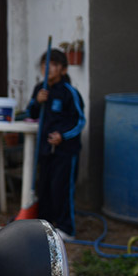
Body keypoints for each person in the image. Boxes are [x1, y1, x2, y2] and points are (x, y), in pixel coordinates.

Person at [25, 48, 85, 239]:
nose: (47, 68)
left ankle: (67, 229)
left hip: (65, 150)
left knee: (62, 188)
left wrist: (63, 136)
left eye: (53, 65)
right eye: (44, 64)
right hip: (45, 149)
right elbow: (30, 114)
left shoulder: (69, 93)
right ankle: (46, 226)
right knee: (45, 188)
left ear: (63, 69)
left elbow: (80, 121)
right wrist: (36, 101)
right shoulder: (40, 89)